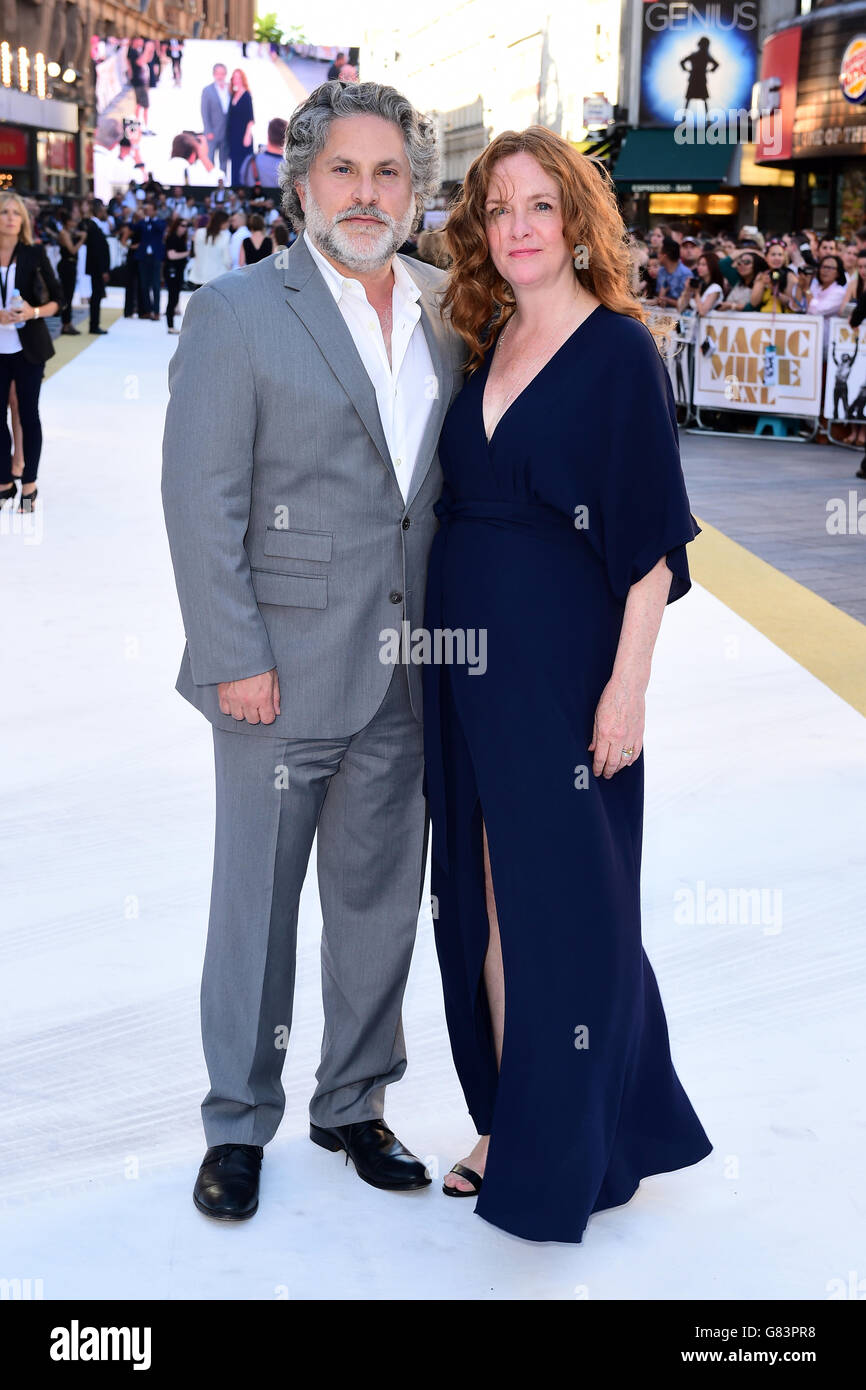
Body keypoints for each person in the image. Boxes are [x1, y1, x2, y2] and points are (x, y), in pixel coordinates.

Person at [162, 79, 465, 1223]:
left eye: (389, 172)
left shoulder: (449, 306)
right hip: (273, 675)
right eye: (344, 169)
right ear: (300, 183)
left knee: (380, 898)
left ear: (416, 192)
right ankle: (238, 1121)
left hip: (408, 664)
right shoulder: (239, 311)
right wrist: (233, 652)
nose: (365, 191)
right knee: (256, 904)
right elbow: (200, 499)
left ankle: (353, 1100)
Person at [422, 126, 712, 1242]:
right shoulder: (482, 338)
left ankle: (579, 1135)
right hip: (462, 667)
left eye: (539, 205)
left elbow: (648, 546)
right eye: (498, 210)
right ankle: (510, 1118)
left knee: (570, 902)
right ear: (479, 231)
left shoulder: (615, 352)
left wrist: (624, 688)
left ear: (575, 219)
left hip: (561, 665)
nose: (518, 228)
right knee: (484, 893)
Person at [0, 192, 64, 513]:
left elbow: (58, 299)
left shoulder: (33, 254)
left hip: (28, 350)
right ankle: (3, 480)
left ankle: (29, 483)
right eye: (4, 212)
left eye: (16, 212)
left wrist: (32, 312)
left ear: (23, 220)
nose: (10, 217)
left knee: (28, 416)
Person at [132, 199, 166, 319]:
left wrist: (149, 219)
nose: (148, 212)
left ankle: (156, 311)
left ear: (155, 211)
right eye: (147, 210)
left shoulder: (160, 222)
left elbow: (159, 229)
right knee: (144, 285)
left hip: (155, 257)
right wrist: (136, 215)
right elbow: (134, 227)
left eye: (150, 210)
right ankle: (148, 310)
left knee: (156, 285)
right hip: (143, 257)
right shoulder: (142, 222)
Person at [81, 199, 111, 334]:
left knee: (97, 296)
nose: (106, 213)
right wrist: (103, 270)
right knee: (96, 296)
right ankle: (94, 325)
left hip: (97, 269)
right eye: (104, 211)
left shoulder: (95, 226)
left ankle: (94, 324)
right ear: (99, 211)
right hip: (97, 269)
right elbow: (97, 251)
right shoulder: (93, 227)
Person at [57, 210, 86, 335]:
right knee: (67, 295)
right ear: (68, 222)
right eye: (73, 221)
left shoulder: (69, 232)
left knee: (69, 295)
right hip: (66, 266)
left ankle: (68, 323)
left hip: (71, 265)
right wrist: (82, 240)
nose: (75, 223)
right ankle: (66, 324)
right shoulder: (64, 233)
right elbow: (72, 250)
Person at [201, 63, 231, 175]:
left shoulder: (230, 88)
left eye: (222, 74)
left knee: (224, 160)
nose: (220, 76)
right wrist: (208, 130)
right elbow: (204, 112)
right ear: (214, 74)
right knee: (210, 159)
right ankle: (211, 181)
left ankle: (223, 180)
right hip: (212, 132)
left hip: (226, 132)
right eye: (218, 73)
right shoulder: (207, 91)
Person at [188, 209, 231, 287]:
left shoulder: (199, 232)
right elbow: (226, 259)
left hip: (199, 275)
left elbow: (195, 252)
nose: (229, 224)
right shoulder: (225, 236)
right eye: (228, 221)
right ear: (221, 222)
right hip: (217, 277)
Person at [227, 69, 255, 186]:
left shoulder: (246, 95)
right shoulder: (233, 95)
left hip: (243, 136)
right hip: (233, 137)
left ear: (242, 79)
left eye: (238, 77)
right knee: (235, 166)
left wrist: (247, 136)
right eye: (234, 78)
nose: (236, 80)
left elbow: (250, 118)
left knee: (243, 167)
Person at [163, 214, 189, 333]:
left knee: (175, 296)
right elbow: (171, 255)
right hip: (172, 271)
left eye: (186, 226)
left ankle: (171, 323)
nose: (185, 228)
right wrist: (188, 253)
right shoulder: (172, 238)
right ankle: (170, 325)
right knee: (172, 297)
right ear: (177, 226)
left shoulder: (179, 239)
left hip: (177, 271)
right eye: (182, 225)